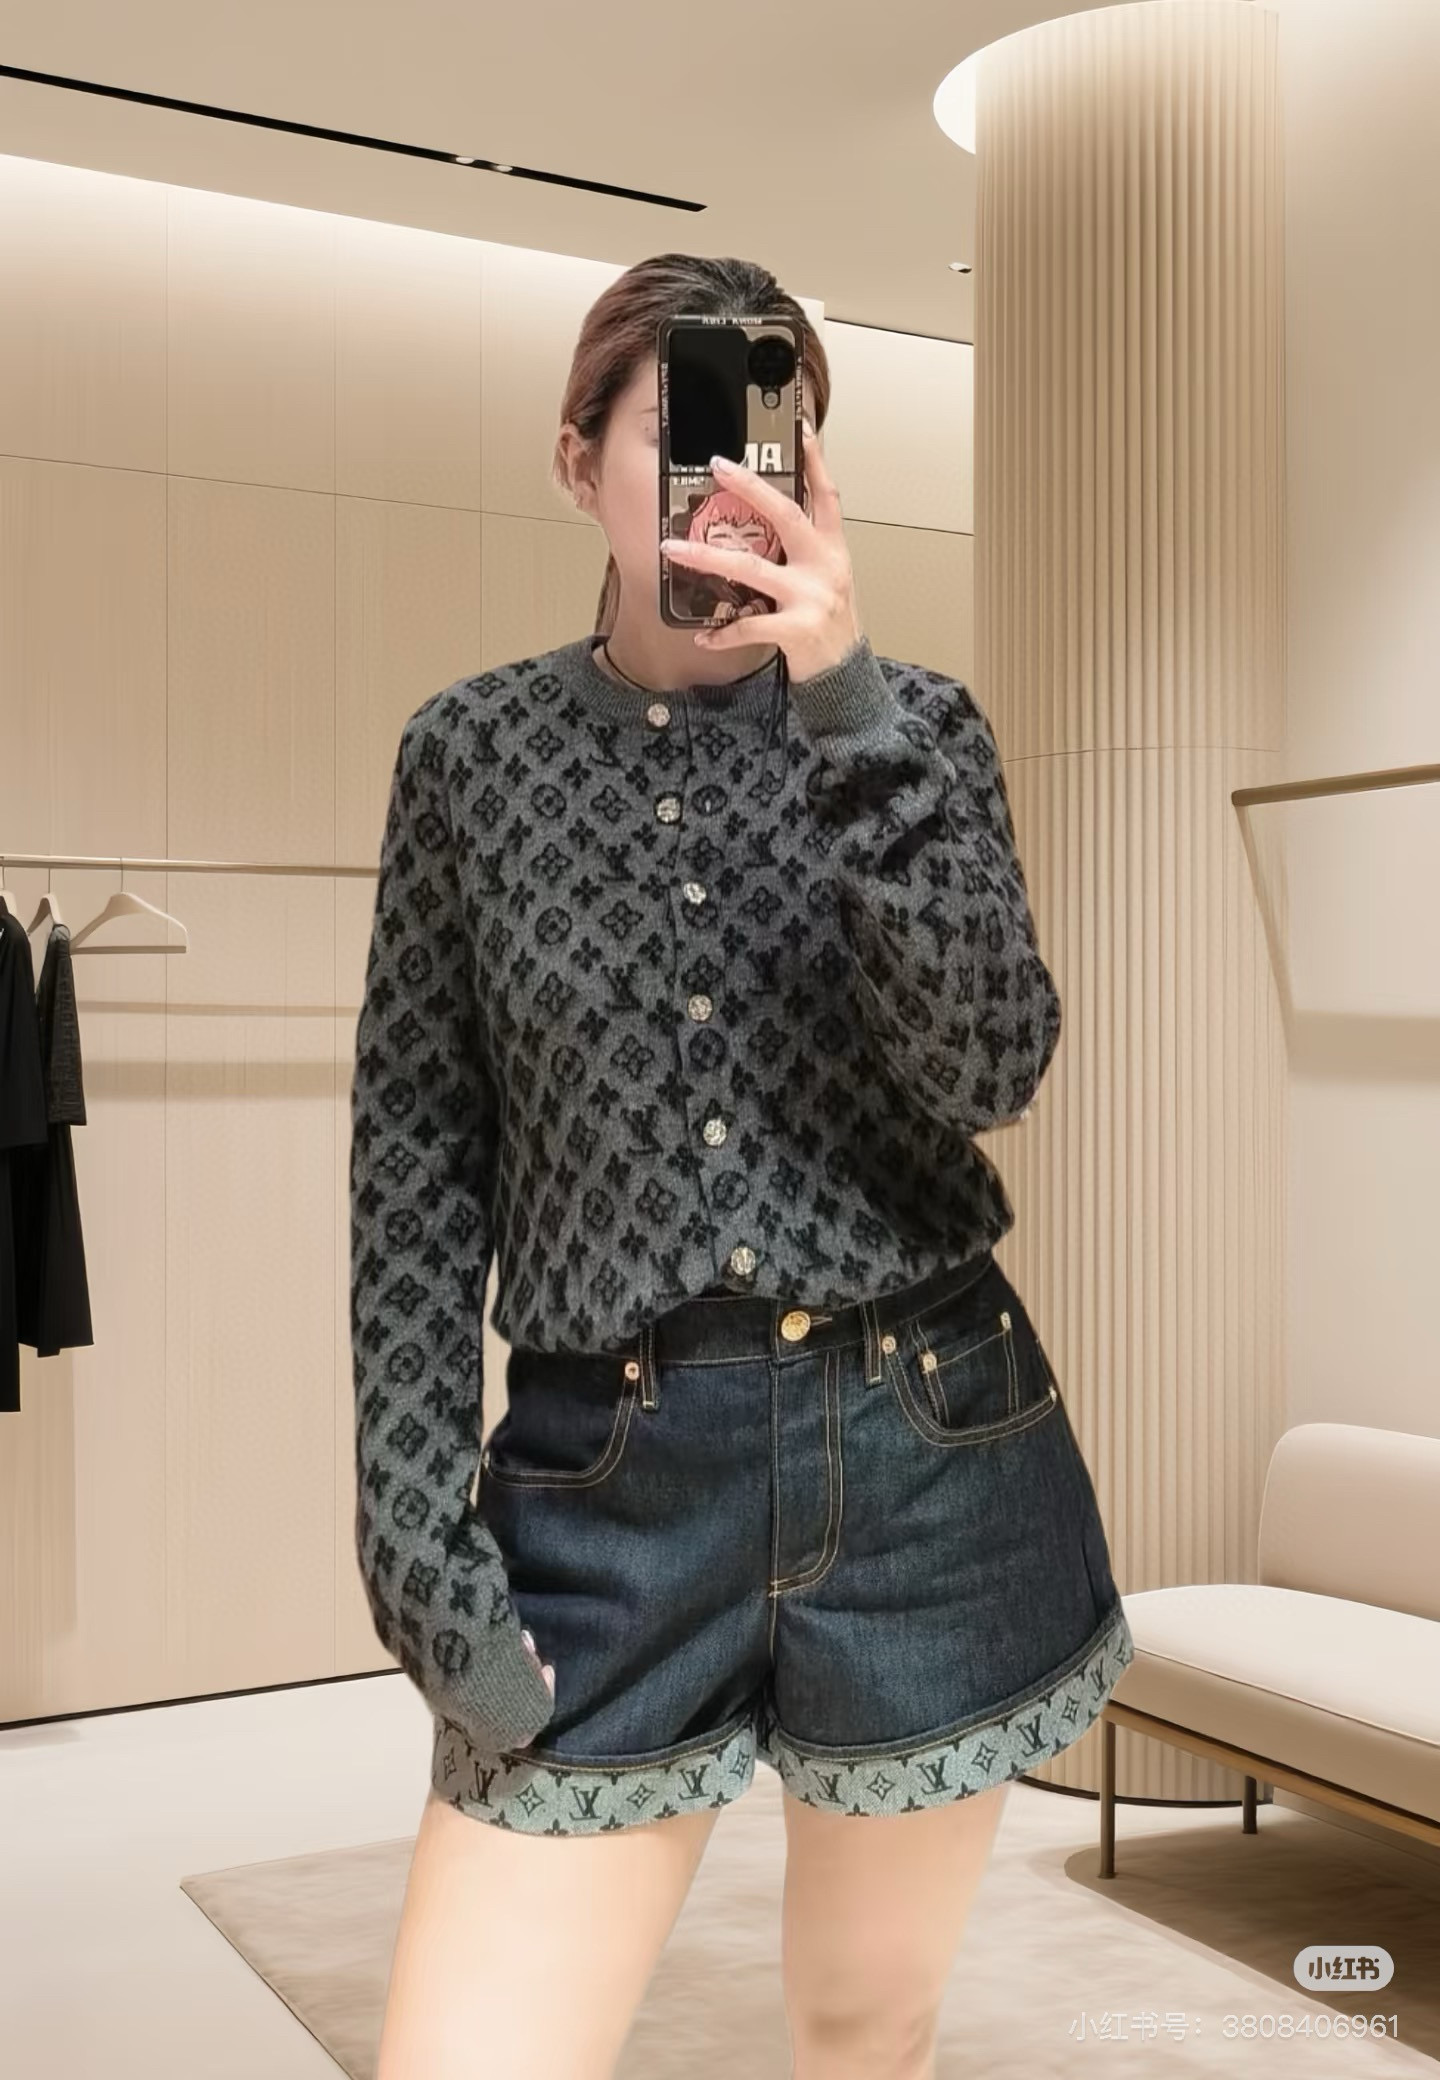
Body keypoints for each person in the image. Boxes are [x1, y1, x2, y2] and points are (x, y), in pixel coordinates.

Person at [351, 251, 1133, 2080]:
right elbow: (413, 1174)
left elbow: (992, 1065)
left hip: (928, 1450)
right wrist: (415, 1547)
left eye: (769, 440)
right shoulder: (468, 761)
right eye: (677, 438)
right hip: (609, 1494)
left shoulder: (918, 730)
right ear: (577, 464)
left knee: (865, 2032)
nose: (728, 488)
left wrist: (845, 702)